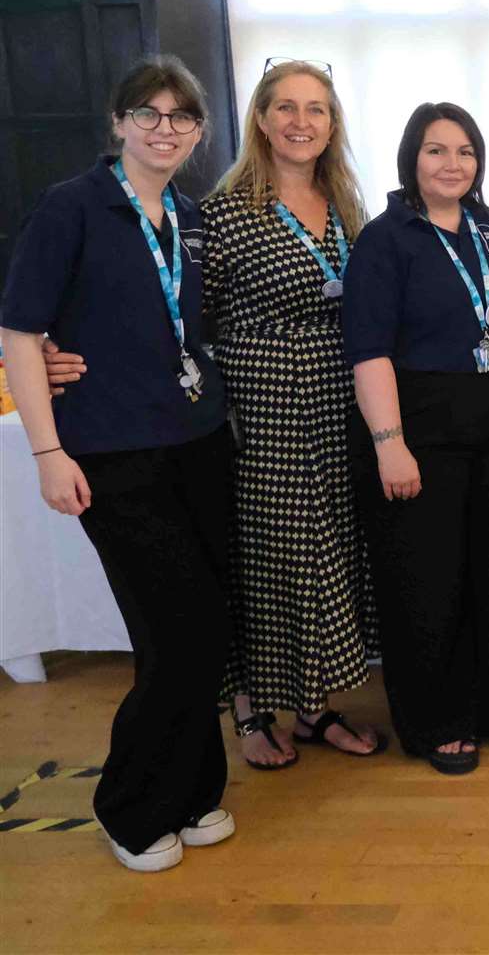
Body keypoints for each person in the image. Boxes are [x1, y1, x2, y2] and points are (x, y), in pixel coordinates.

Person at [0, 55, 236, 871]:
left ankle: (196, 789)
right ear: (118, 123)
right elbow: (21, 332)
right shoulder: (73, 208)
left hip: (200, 445)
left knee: (207, 627)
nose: (164, 128)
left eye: (181, 117)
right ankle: (130, 807)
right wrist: (46, 450)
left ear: (200, 132)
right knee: (173, 632)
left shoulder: (190, 215)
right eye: (149, 113)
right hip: (113, 455)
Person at [341, 102, 489, 774]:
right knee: (428, 577)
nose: (453, 164)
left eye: (465, 152)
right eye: (437, 151)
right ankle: (437, 720)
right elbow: (369, 351)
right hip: (421, 425)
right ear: (411, 160)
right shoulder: (385, 240)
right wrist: (389, 441)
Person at [197, 60, 382, 768]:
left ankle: (314, 708)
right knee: (268, 558)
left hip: (337, 402)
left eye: (316, 109)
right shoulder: (225, 211)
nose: (301, 122)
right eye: (286, 107)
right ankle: (250, 712)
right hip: (264, 407)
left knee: (330, 554)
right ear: (261, 120)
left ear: (332, 125)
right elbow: (191, 321)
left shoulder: (344, 203)